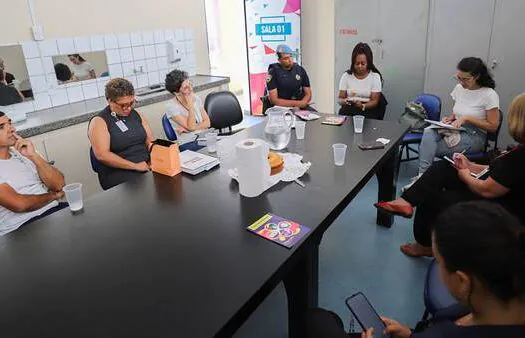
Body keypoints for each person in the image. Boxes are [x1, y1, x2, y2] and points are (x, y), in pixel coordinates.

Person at [308, 201, 525, 338]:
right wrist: (410, 334)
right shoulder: (498, 303)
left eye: (438, 261)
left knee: (315, 320)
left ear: (463, 282)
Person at [376, 92, 525, 257]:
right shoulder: (518, 152)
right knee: (442, 167)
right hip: (493, 184)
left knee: (432, 196)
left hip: (503, 203)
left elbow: (487, 190)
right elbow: (496, 172)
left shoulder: (519, 157)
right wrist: (470, 165)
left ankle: (424, 245)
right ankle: (405, 202)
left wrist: (465, 174)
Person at [406, 57, 500, 188]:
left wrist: (467, 118)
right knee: (429, 132)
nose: (461, 82)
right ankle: (422, 177)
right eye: (459, 78)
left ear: (477, 76)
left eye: (465, 79)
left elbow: (493, 126)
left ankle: (422, 181)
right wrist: (450, 118)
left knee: (429, 148)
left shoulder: (489, 94)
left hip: (475, 136)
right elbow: (458, 111)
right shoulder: (459, 88)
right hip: (457, 129)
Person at [0, 111, 66, 236]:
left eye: (9, 123)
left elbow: (58, 184)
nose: (12, 129)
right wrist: (53, 196)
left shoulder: (24, 151)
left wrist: (34, 156)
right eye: (1, 127)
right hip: (22, 227)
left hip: (54, 212)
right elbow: (19, 204)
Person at [88, 78, 154, 190]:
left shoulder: (136, 115)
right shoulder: (99, 121)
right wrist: (135, 166)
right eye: (122, 105)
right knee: (144, 188)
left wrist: (153, 160)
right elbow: (102, 155)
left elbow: (151, 142)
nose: (127, 108)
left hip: (145, 165)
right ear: (109, 100)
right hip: (118, 171)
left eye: (131, 103)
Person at [338, 42, 386, 119]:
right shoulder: (346, 76)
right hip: (349, 109)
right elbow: (340, 99)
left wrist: (362, 106)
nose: (360, 66)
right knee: (343, 113)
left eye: (363, 64)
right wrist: (345, 101)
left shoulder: (375, 77)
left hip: (368, 110)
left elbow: (374, 101)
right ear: (353, 63)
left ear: (368, 63)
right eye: (357, 63)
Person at [164, 69, 211, 148]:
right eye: (186, 87)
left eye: (190, 84)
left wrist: (190, 129)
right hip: (189, 143)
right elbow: (191, 126)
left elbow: (208, 122)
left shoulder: (196, 98)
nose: (191, 89)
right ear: (177, 93)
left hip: (204, 138)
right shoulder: (171, 107)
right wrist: (191, 105)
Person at [266, 44, 314, 111]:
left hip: (299, 105)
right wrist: (299, 104)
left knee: (315, 117)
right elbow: (274, 100)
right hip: (281, 107)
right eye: (286, 58)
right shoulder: (273, 72)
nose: (290, 60)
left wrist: (303, 102)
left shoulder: (300, 70)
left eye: (291, 57)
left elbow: (308, 93)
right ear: (279, 60)